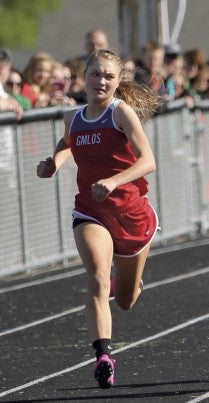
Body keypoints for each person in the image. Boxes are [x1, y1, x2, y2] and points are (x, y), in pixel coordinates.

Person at [36, 49, 160, 389]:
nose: (101, 81)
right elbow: (68, 142)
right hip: (91, 212)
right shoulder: (73, 118)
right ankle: (103, 356)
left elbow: (148, 161)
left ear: (117, 81)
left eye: (108, 75)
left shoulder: (121, 114)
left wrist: (115, 181)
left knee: (125, 300)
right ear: (84, 77)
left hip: (131, 214)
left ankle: (131, 281)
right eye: (95, 74)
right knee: (97, 278)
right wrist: (54, 163)